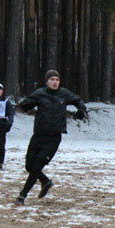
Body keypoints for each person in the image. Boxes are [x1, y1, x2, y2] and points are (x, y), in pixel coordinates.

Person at [14, 70, 87, 205]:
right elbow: (25, 105)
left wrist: (81, 111)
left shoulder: (64, 94)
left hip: (53, 138)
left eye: (57, 80)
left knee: (36, 167)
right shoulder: (40, 93)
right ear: (47, 81)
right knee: (29, 166)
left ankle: (22, 196)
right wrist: (25, 104)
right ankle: (46, 181)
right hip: (38, 135)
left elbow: (78, 101)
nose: (55, 82)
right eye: (52, 79)